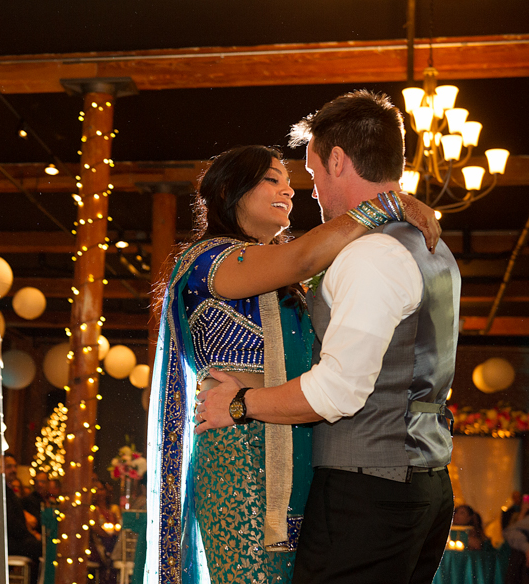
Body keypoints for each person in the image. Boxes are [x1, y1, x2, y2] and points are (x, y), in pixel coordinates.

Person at [145, 135, 440, 583]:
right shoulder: (210, 260)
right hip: (239, 449)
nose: (289, 190)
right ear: (229, 192)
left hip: (296, 444)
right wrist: (387, 204)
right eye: (271, 180)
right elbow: (302, 259)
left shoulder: (276, 270)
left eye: (290, 182)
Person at [4, 452, 42, 584]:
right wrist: (30, 536)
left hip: (16, 538)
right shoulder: (2, 491)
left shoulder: (9, 490)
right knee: (42, 547)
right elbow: (12, 523)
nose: (13, 470)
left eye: (15, 466)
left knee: (42, 546)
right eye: (9, 466)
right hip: (9, 541)